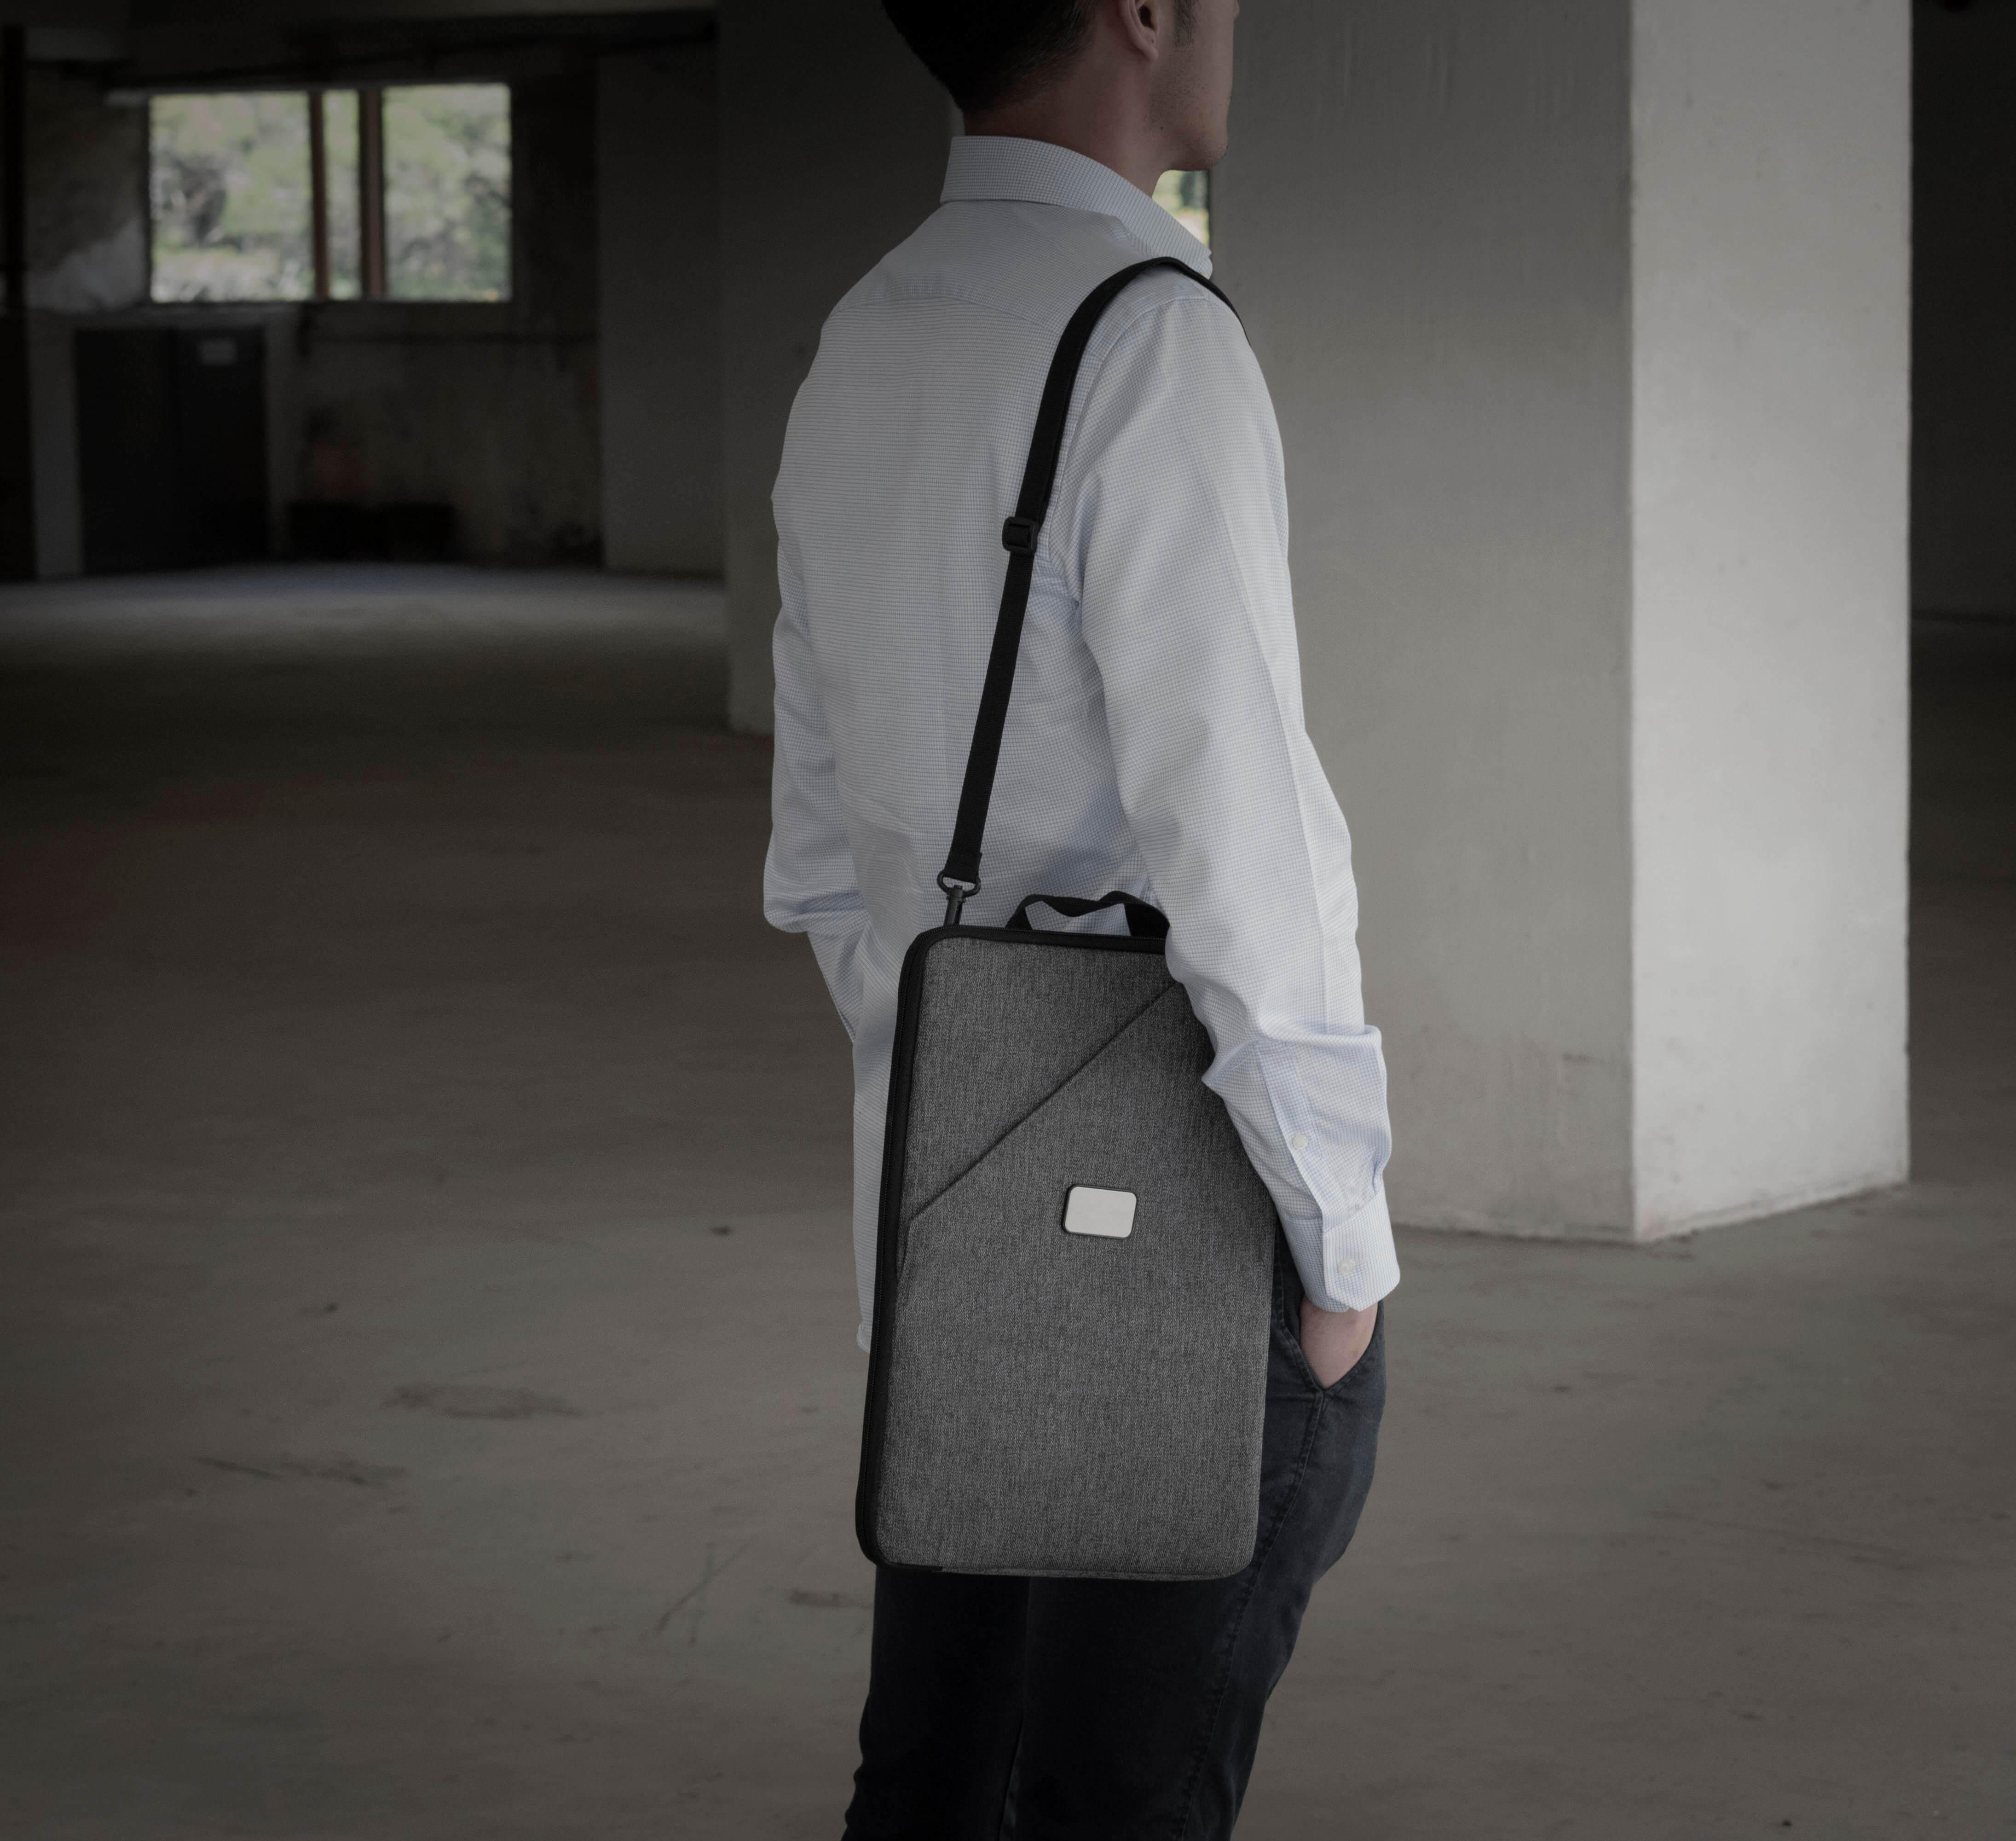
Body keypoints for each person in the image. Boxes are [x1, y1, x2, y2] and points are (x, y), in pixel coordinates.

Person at [762, 1, 1398, 1833]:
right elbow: (1242, 846)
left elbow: (820, 857)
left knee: (934, 1766)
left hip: (946, 1194)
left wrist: (950, 1091)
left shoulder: (867, 330)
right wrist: (1336, 1250)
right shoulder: (1150, 336)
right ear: (1141, 10)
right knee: (1124, 1784)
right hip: (1171, 1205)